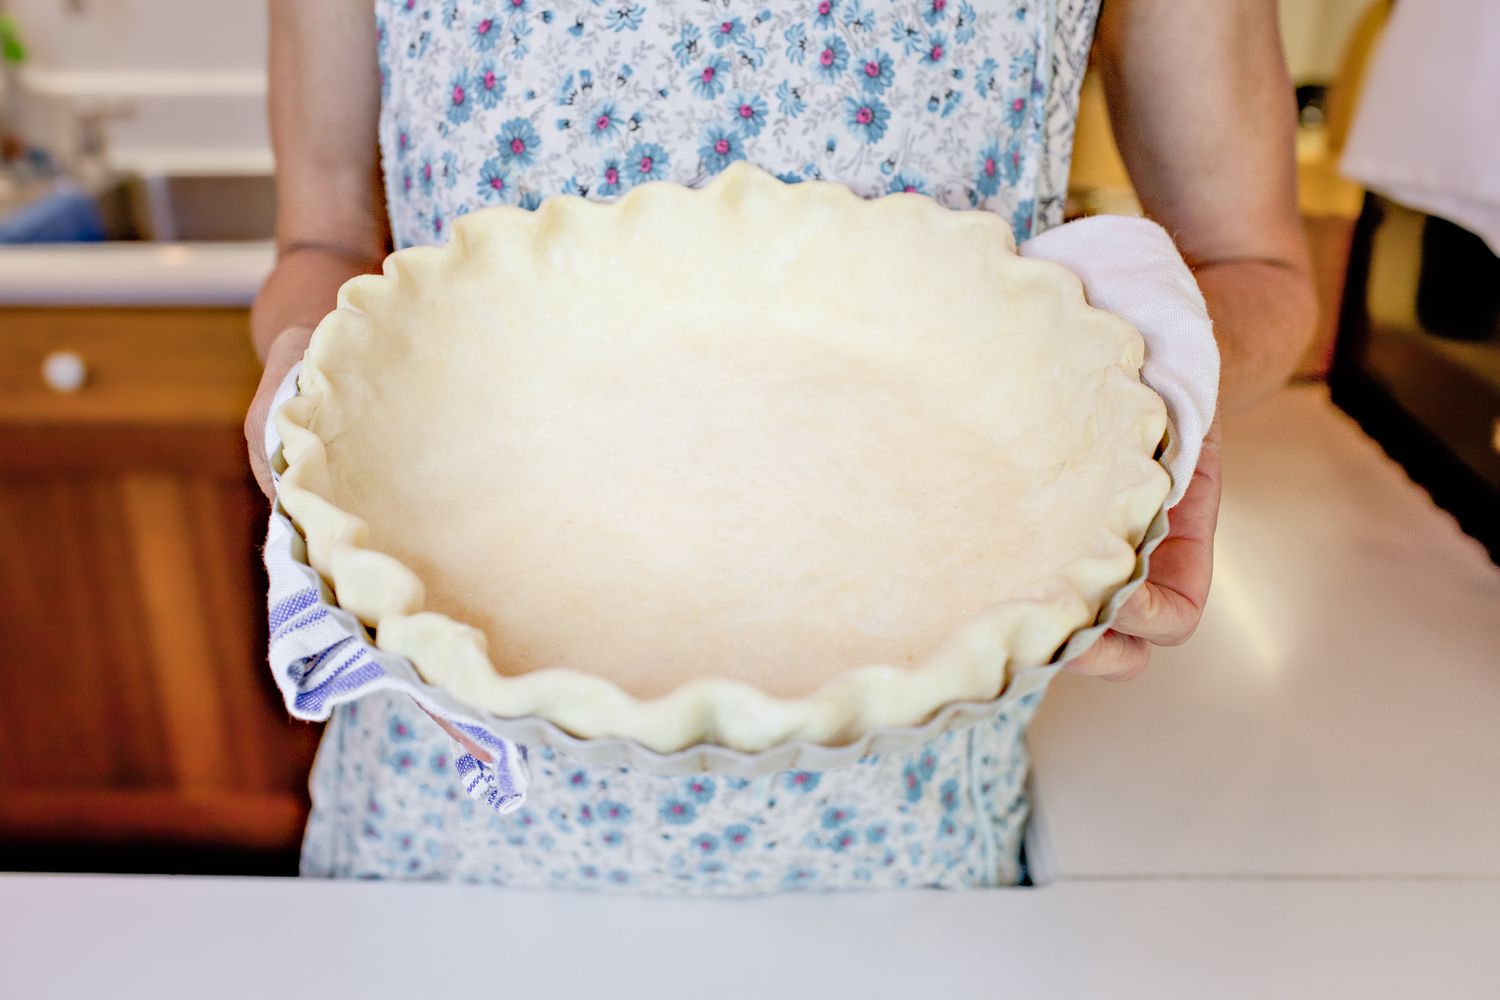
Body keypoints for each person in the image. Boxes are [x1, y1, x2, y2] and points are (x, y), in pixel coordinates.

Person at [247, 0, 1314, 889]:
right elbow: (322, 240)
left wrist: (1160, 390)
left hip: (905, 849)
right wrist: (303, 384)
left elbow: (1252, 263)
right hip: (446, 836)